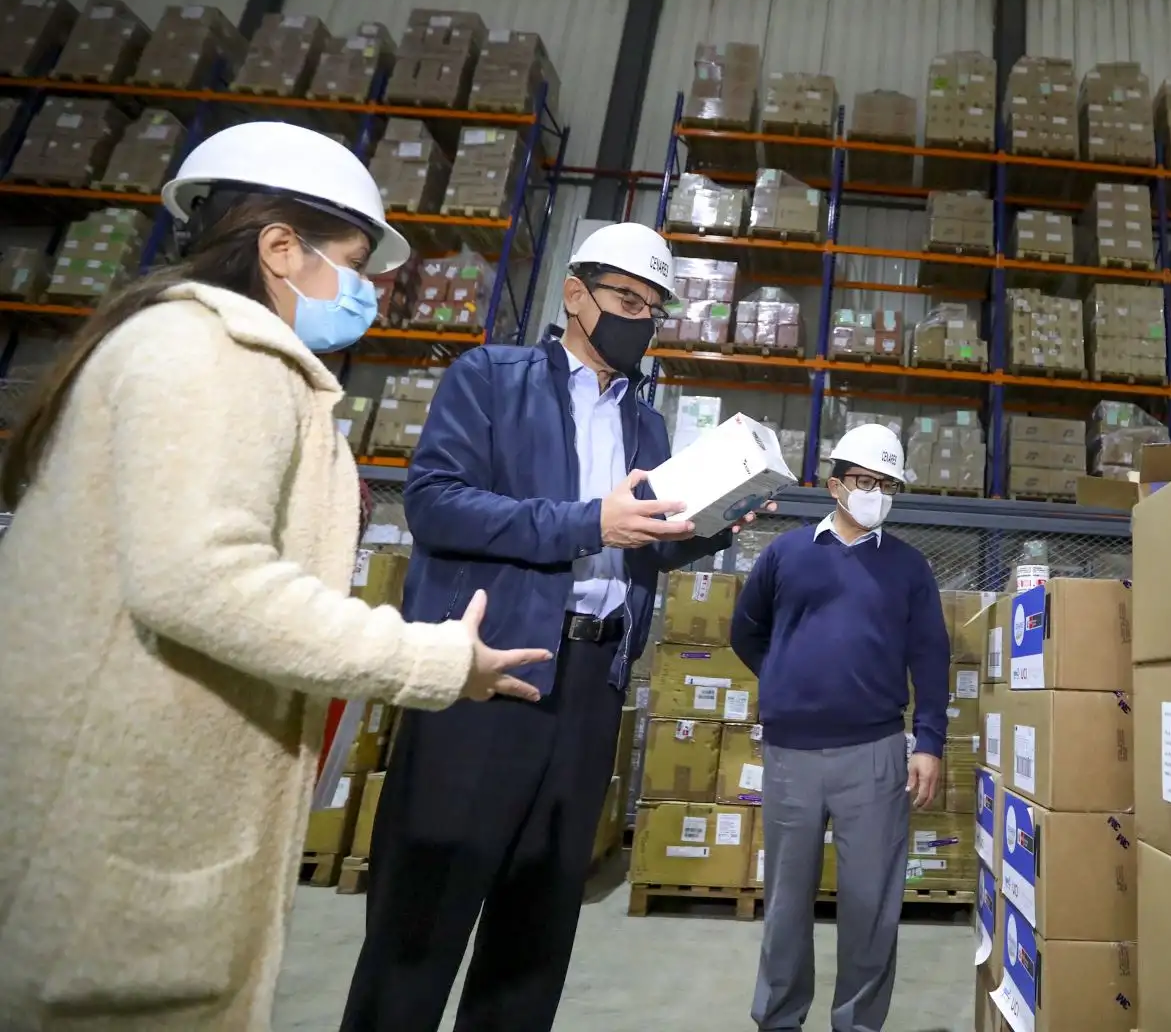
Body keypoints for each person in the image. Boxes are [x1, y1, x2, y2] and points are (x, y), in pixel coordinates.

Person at [0, 122, 548, 1031]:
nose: (366, 291)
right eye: (355, 262)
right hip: (115, 837)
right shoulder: (215, 354)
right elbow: (203, 577)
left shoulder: (186, 347)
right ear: (279, 248)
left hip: (124, 814)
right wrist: (435, 662)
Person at [342, 220, 766, 1031]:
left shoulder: (646, 424)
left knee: (534, 934)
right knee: (420, 924)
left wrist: (711, 523)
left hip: (590, 690)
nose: (641, 318)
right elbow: (435, 504)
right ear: (575, 296)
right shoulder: (491, 379)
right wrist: (586, 523)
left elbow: (637, 548)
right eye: (626, 299)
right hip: (488, 677)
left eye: (654, 307)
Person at [731, 424, 950, 1032]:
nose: (875, 493)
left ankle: (857, 1023)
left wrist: (928, 742)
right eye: (865, 481)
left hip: (876, 755)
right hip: (791, 755)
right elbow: (744, 631)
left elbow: (931, 658)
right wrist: (783, 677)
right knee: (784, 903)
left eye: (887, 484)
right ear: (835, 486)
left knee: (870, 906)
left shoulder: (908, 568)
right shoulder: (786, 554)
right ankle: (778, 1018)